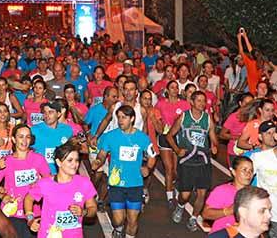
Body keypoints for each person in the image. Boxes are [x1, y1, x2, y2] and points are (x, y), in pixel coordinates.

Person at [92, 105, 156, 238]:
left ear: (132, 118)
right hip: (116, 184)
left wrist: (148, 168)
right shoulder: (110, 136)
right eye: (119, 117)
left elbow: (152, 156)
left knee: (133, 220)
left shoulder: (142, 137)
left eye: (124, 117)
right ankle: (119, 228)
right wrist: (98, 161)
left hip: (135, 184)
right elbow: (102, 154)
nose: (120, 120)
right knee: (118, 219)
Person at [167, 91, 219, 232]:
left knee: (202, 193)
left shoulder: (207, 119)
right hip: (187, 161)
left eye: (204, 101)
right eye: (199, 100)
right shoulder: (184, 117)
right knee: (185, 195)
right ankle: (181, 206)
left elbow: (213, 137)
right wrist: (177, 150)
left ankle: (193, 218)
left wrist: (215, 145)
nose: (202, 104)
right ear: (192, 101)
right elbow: (170, 136)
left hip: (203, 161)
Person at [24, 141, 97, 238]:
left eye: (77, 160)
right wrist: (30, 219)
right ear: (59, 162)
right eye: (70, 160)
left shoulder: (84, 183)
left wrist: (84, 212)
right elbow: (29, 199)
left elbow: (93, 208)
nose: (74, 164)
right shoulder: (45, 183)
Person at [0, 124, 51, 238]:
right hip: (11, 214)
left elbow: (50, 184)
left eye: (27, 137)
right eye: (21, 136)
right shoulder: (6, 161)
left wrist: (40, 184)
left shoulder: (39, 159)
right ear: (13, 139)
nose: (24, 140)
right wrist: (2, 195)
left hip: (34, 214)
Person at [155, 80, 191, 207]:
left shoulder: (185, 104)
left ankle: (174, 183)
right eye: (172, 87)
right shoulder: (160, 104)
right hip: (165, 138)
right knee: (169, 168)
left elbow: (189, 120)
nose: (174, 90)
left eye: (176, 88)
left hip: (179, 138)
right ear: (167, 90)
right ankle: (170, 196)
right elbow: (155, 118)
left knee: (176, 170)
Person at [202, 156, 254, 234]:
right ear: (234, 172)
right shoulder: (223, 190)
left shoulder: (253, 194)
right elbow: (206, 214)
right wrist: (228, 211)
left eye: (251, 171)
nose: (248, 174)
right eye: (244, 170)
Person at [249, 120, 277, 238]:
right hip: (271, 216)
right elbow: (244, 180)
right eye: (268, 133)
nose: (272, 136)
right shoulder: (258, 157)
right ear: (260, 137)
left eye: (274, 132)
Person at [31, 101, 73, 174]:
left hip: (61, 174)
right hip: (40, 175)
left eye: (50, 112)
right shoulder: (34, 130)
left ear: (59, 114)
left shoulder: (67, 130)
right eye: (45, 112)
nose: (47, 115)